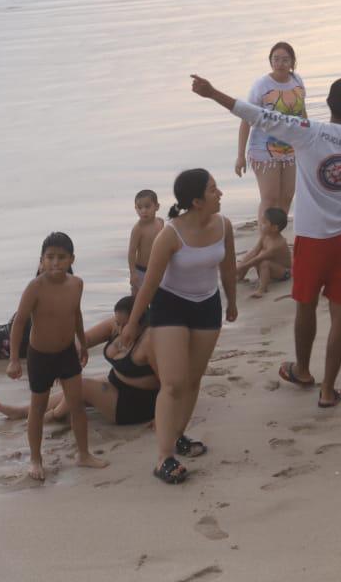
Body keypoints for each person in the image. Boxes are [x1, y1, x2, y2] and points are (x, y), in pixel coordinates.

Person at [190, 73, 341, 411]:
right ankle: (328, 390)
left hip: (311, 240)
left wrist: (211, 93)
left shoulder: (308, 133)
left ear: (327, 104)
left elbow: (256, 115)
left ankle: (304, 371)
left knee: (305, 305)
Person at [115, 169, 238, 484]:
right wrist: (131, 325)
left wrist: (233, 302)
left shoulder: (224, 225)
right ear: (196, 201)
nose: (220, 193)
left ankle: (178, 435)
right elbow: (151, 283)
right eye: (213, 190)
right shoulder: (170, 234)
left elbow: (228, 267)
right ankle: (164, 458)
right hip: (170, 307)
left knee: (194, 380)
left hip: (207, 305)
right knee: (173, 383)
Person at [5, 232, 106, 480]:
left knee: (77, 406)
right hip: (40, 356)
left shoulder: (76, 284)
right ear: (41, 261)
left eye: (61, 257)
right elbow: (19, 322)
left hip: (66, 354)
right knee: (37, 409)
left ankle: (83, 454)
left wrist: (82, 343)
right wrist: (14, 359)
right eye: (49, 257)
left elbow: (76, 315)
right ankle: (36, 460)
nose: (55, 263)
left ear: (71, 259)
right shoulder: (35, 287)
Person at [0, 296, 161, 426]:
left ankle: (52, 416)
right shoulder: (115, 325)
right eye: (118, 323)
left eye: (126, 325)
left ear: (141, 323)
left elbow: (169, 383)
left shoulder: (149, 342)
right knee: (73, 384)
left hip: (137, 404)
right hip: (117, 385)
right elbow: (84, 338)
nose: (121, 329)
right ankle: (23, 411)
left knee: (80, 386)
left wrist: (162, 417)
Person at [234, 42, 307, 238]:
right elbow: (246, 119)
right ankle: (264, 240)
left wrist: (308, 142)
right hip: (263, 149)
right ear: (270, 61)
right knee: (270, 197)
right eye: (276, 59)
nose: (280, 63)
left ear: (292, 62)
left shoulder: (297, 81)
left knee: (286, 196)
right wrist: (240, 156)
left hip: (290, 149)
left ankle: (276, 237)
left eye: (285, 60)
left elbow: (302, 114)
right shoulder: (261, 85)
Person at [237, 206, 292, 298]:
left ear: (274, 228)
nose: (260, 224)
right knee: (250, 254)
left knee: (264, 263)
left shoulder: (277, 245)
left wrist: (241, 267)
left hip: (283, 272)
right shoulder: (265, 236)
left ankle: (262, 289)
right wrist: (242, 266)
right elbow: (255, 252)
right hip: (270, 267)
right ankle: (240, 277)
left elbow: (258, 259)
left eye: (264, 223)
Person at [127, 188, 164, 293]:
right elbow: (132, 252)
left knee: (159, 297)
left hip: (159, 270)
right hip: (141, 270)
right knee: (137, 299)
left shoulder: (160, 222)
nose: (143, 211)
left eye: (147, 207)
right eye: (139, 207)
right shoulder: (138, 229)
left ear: (157, 207)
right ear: (135, 208)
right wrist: (133, 273)